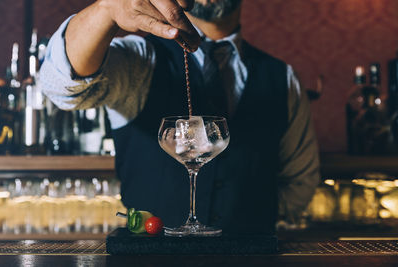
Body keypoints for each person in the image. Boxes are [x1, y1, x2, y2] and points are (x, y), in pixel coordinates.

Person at [40, 0, 320, 234]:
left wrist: (249, 221)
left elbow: (300, 182)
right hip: (149, 261)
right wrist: (105, 10)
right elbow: (60, 86)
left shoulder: (283, 78)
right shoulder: (141, 58)